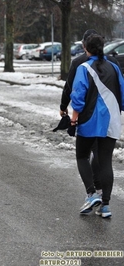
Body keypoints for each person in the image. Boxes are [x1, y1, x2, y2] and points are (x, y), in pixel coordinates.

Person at [59, 29, 121, 214]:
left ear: (85, 47)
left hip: (89, 120)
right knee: (106, 162)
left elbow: (77, 95)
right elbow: (122, 93)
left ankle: (91, 193)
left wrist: (73, 118)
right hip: (111, 120)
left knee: (81, 156)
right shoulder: (115, 66)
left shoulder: (82, 67)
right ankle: (106, 206)